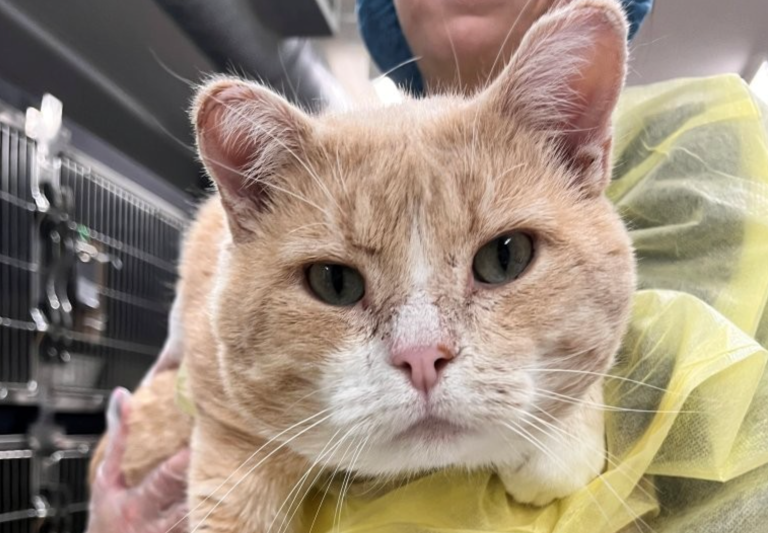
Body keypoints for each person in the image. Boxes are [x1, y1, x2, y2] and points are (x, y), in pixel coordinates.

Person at [85, 1, 655, 531]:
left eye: (504, 258)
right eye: (337, 279)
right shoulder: (306, 185)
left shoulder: (676, 151)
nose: (423, 354)